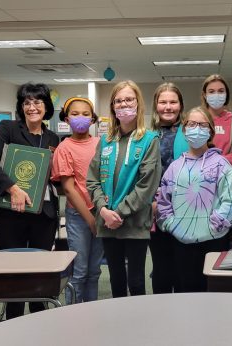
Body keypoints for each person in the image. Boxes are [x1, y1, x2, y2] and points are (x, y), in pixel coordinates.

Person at [0, 83, 60, 319]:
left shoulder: (53, 137)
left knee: (40, 272)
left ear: (46, 107)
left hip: (43, 215)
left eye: (37, 102)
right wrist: (12, 188)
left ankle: (40, 319)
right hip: (10, 214)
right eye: (27, 102)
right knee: (13, 272)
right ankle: (13, 321)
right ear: (21, 107)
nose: (32, 107)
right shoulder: (9, 128)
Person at [86, 80, 161, 298]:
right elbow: (92, 180)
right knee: (115, 280)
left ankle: (139, 328)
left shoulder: (149, 140)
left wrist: (118, 212)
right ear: (112, 107)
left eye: (128, 99)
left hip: (134, 222)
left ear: (138, 103)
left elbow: (147, 185)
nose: (123, 104)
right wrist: (102, 210)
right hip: (107, 222)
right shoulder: (106, 141)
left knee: (136, 280)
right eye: (118, 101)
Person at [156, 106, 232, 292]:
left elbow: (231, 200)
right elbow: (163, 202)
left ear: (210, 131)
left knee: (212, 292)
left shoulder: (221, 164)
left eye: (202, 125)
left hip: (214, 240)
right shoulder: (175, 167)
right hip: (181, 242)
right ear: (184, 130)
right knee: (185, 291)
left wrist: (213, 227)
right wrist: (172, 225)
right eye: (191, 124)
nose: (196, 128)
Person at [50, 97, 102, 304]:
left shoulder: (101, 144)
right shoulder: (64, 148)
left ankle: (93, 311)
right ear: (66, 118)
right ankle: (73, 315)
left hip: (101, 213)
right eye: (75, 113)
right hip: (79, 216)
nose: (80, 118)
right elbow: (69, 189)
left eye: (86, 114)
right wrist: (90, 220)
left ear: (93, 119)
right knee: (79, 272)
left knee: (95, 271)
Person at [148, 82, 187, 294]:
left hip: (186, 208)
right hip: (157, 210)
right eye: (163, 102)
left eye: (173, 102)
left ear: (180, 105)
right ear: (156, 105)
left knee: (183, 266)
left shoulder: (189, 132)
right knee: (161, 267)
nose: (168, 107)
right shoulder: (147, 135)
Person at [201, 74, 232, 169]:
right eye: (211, 92)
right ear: (205, 95)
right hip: (198, 175)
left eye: (221, 91)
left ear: (226, 94)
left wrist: (216, 162)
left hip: (225, 176)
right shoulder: (197, 120)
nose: (216, 95)